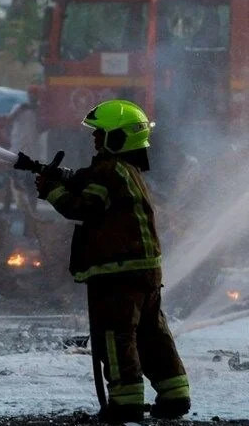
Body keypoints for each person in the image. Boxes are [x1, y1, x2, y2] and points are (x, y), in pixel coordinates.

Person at [34, 100, 190, 423]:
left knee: (117, 337)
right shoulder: (128, 172)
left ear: (116, 139)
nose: (94, 140)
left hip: (117, 274)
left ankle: (125, 401)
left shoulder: (108, 171)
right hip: (146, 272)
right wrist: (65, 177)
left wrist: (51, 191)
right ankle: (175, 394)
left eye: (100, 134)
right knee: (152, 333)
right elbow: (89, 183)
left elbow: (84, 208)